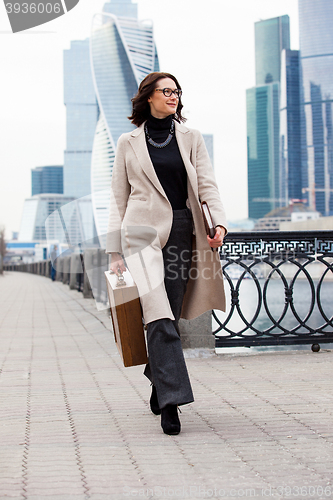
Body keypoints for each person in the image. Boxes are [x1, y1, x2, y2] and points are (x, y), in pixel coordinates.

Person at [106, 72, 227, 435]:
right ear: (149, 97)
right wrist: (114, 252)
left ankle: (159, 381)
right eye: (167, 91)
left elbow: (207, 184)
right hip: (140, 233)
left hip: (182, 230)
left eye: (177, 92)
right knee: (157, 314)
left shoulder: (191, 138)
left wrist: (218, 222)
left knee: (170, 314)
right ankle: (172, 402)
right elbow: (118, 198)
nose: (173, 97)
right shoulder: (127, 142)